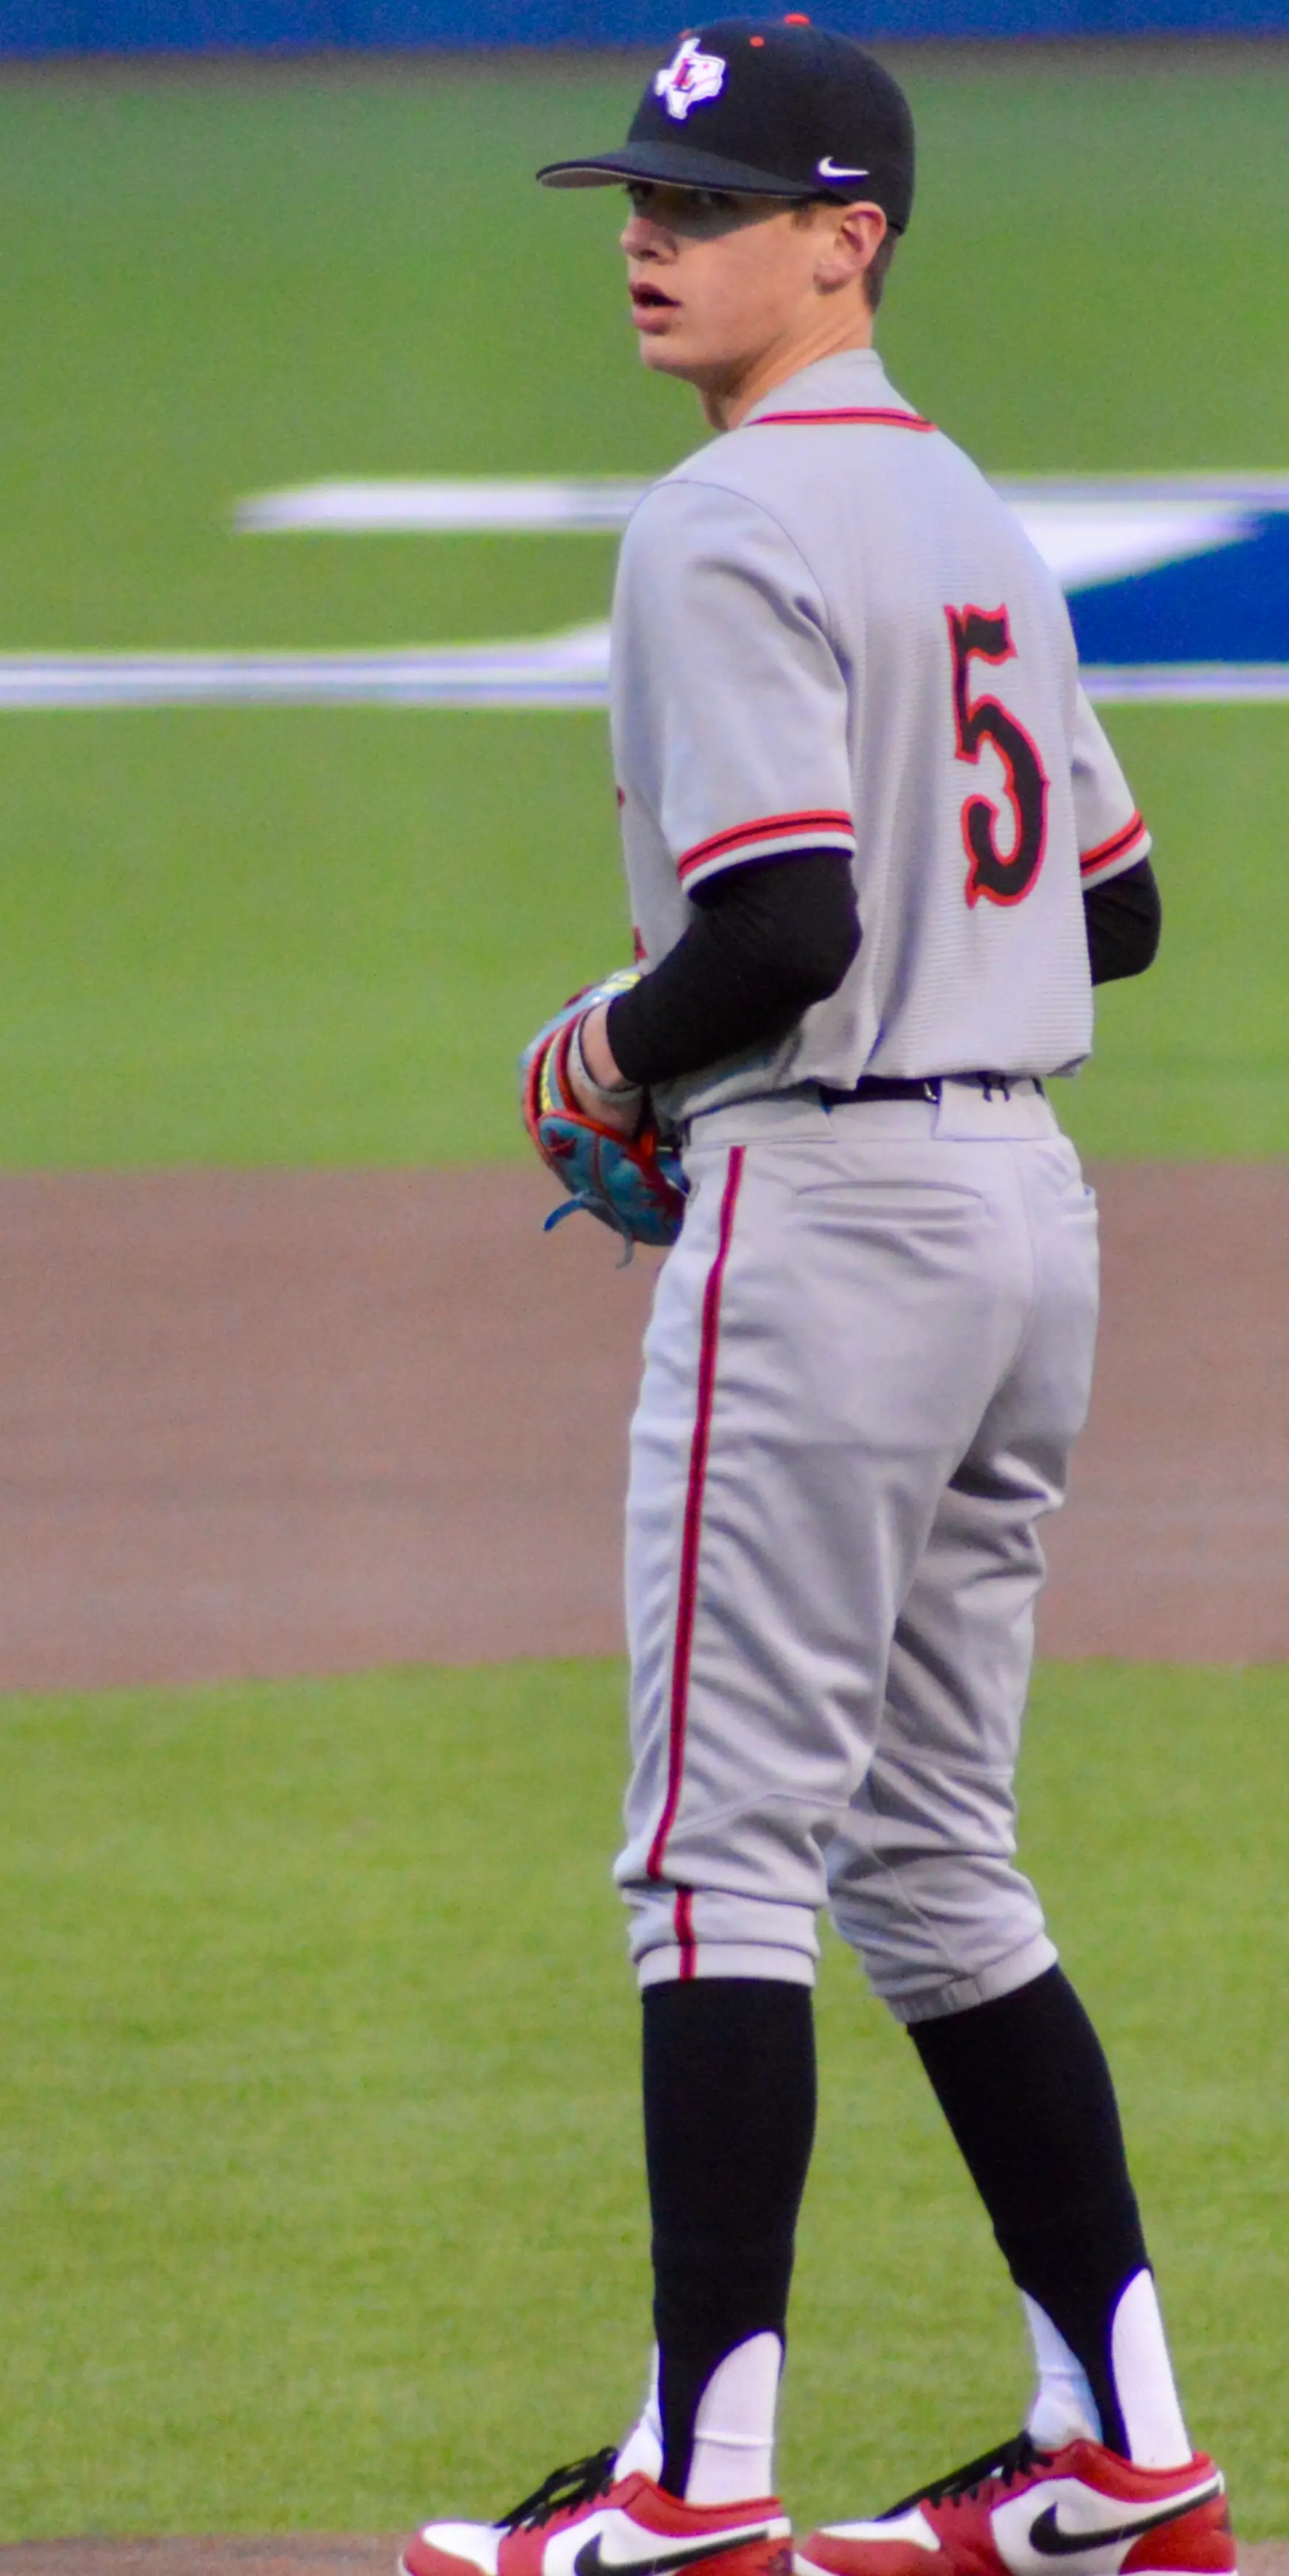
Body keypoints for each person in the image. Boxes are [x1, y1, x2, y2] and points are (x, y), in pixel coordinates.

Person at [402, 25, 1234, 2576]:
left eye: (711, 201)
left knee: (713, 1864)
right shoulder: (971, 513)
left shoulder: (721, 520)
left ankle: (697, 2485)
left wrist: (595, 1048)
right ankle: (1123, 2453)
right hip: (1023, 1223)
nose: (650, 238)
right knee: (936, 1860)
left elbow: (775, 929)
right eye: (642, 197)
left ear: (846, 237)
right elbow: (1114, 910)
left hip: (837, 1216)